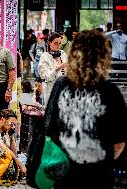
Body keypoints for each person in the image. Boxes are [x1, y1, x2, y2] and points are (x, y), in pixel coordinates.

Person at [31, 30, 127, 189]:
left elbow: (48, 127)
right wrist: (101, 161)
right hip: (99, 177)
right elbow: (119, 142)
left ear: (73, 54)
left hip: (64, 175)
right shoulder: (111, 92)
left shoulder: (61, 85)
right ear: (103, 56)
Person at [38, 32, 67, 105]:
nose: (58, 46)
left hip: (65, 91)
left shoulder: (63, 54)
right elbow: (46, 76)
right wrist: (58, 68)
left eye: (59, 43)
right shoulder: (44, 56)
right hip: (51, 90)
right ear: (49, 43)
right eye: (55, 43)